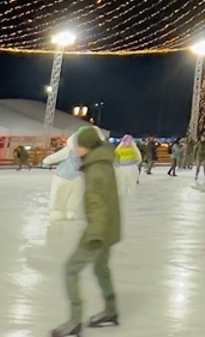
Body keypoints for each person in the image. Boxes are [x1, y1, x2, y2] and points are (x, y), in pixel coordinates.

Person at [50, 126, 121, 336]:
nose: (76, 149)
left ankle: (74, 320)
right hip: (110, 228)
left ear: (87, 147)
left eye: (79, 146)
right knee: (101, 269)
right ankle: (111, 310)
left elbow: (97, 203)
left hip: (99, 231)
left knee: (71, 269)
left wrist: (94, 235)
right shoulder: (103, 162)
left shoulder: (96, 169)